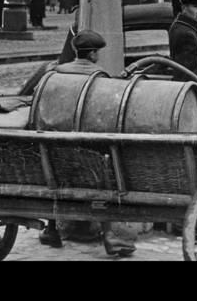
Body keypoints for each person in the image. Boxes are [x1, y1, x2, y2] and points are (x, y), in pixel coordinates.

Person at [37, 30, 137, 258]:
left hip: (53, 148)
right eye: (97, 53)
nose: (98, 56)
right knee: (103, 180)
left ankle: (51, 229)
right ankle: (110, 235)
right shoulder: (99, 77)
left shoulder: (56, 72)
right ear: (92, 54)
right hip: (85, 151)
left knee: (53, 175)